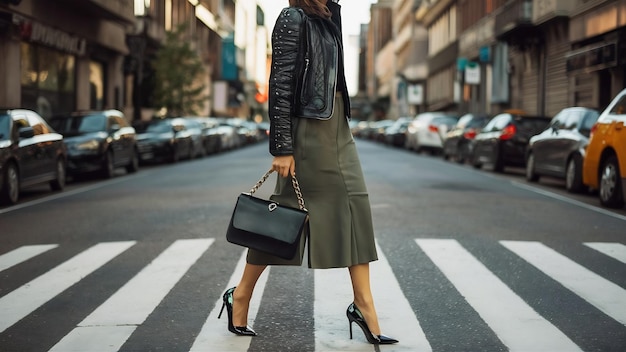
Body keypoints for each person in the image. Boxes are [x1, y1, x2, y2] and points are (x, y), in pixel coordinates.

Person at [218, 0, 398, 345]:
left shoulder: (328, 17)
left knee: (356, 208)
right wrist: (282, 147)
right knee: (283, 217)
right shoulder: (293, 17)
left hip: (337, 127)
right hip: (308, 131)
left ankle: (364, 305)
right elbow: (281, 83)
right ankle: (239, 296)